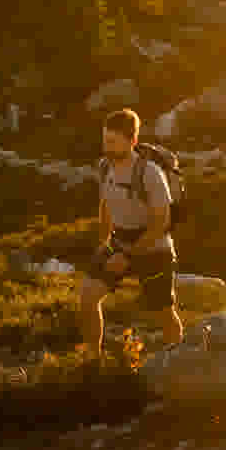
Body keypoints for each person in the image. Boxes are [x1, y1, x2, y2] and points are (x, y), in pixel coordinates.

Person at [78, 108, 183, 357]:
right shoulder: (105, 167)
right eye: (105, 141)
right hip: (120, 241)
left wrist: (129, 256)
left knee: (163, 313)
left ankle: (179, 360)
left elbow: (161, 223)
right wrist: (104, 244)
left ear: (132, 141)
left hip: (154, 246)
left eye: (113, 142)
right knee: (87, 297)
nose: (107, 147)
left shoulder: (150, 173)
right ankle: (93, 359)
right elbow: (105, 206)